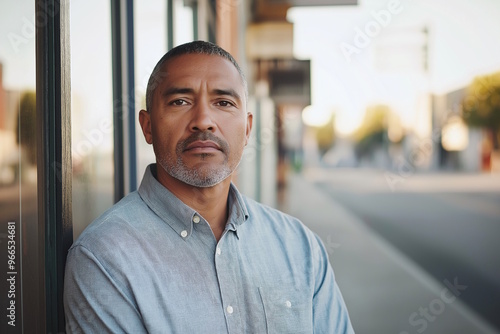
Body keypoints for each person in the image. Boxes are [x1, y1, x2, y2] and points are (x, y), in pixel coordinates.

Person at [64, 40, 354, 333]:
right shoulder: (103, 258)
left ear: (248, 129)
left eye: (224, 103)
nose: (203, 120)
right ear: (147, 126)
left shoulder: (300, 247)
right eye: (180, 101)